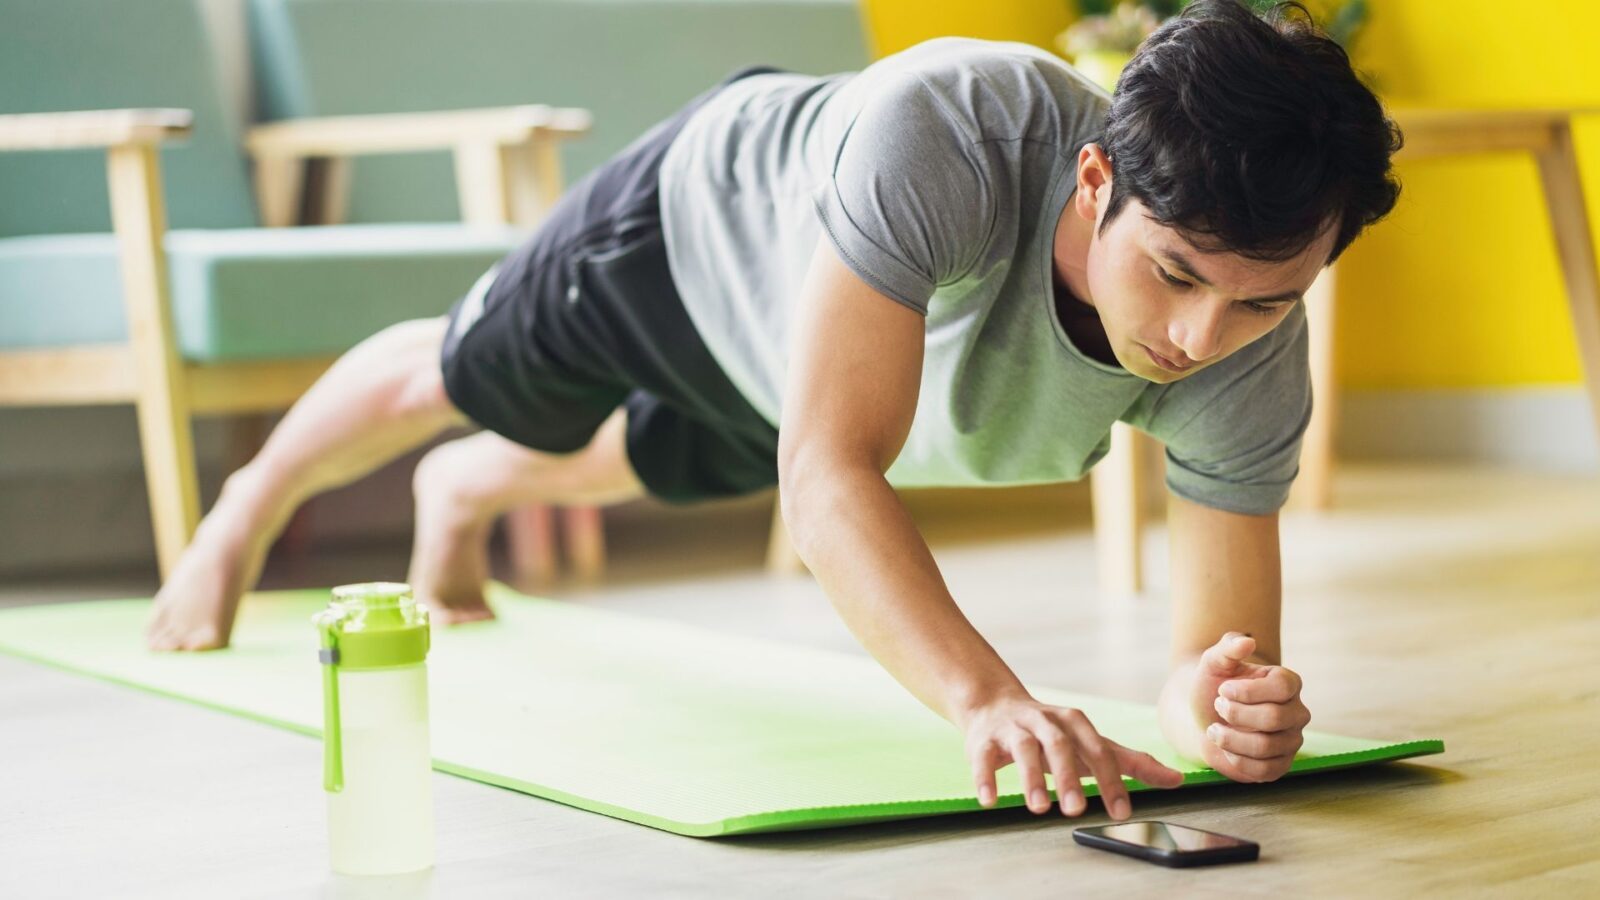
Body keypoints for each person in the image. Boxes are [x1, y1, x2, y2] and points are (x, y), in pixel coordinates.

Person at [145, 0, 1402, 822]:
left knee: (628, 463)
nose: (1197, 342)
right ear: (1092, 180)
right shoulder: (955, 130)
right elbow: (829, 476)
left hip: (808, 381)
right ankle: (245, 508)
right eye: (1176, 274)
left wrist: (1225, 717)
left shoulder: (1253, 353)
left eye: (1262, 303)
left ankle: (463, 488)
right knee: (459, 378)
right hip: (691, 231)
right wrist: (985, 698)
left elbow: (1208, 655)